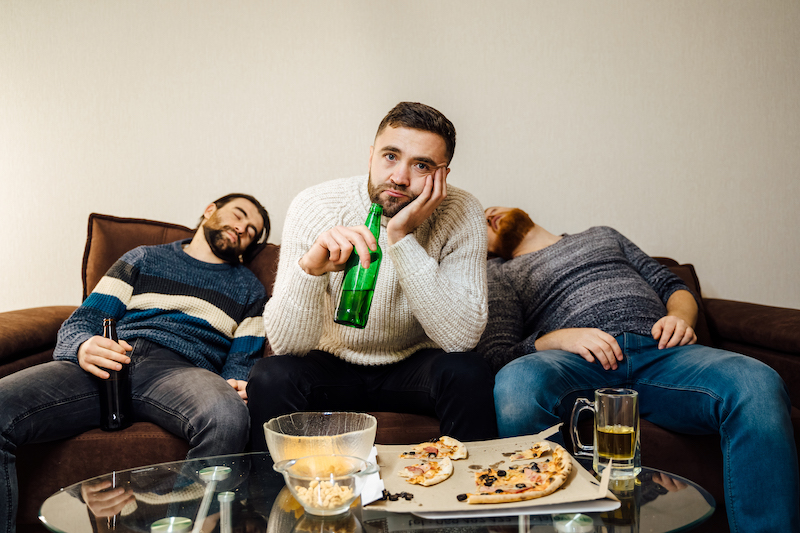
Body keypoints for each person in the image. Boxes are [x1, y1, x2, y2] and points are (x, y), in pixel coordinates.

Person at [477, 206, 800, 532]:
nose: (488, 214)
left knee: (757, 383)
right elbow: (498, 353)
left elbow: (671, 285)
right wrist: (561, 338)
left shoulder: (602, 234)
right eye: (481, 223)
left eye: (490, 209)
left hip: (663, 355)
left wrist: (680, 316)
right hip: (579, 366)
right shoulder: (500, 273)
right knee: (515, 383)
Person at [0, 194, 270, 533]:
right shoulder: (143, 258)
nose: (241, 229)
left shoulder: (250, 290)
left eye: (251, 231)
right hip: (109, 363)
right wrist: (84, 346)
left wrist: (235, 384)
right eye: (238, 215)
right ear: (210, 210)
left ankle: (171, 524)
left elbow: (241, 362)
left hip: (182, 371)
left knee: (228, 416)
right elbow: (79, 323)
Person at [247, 102, 497, 449]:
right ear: (371, 156)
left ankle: (472, 496)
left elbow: (461, 338)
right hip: (332, 363)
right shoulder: (316, 204)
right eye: (390, 156)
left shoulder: (461, 211)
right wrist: (311, 270)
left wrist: (400, 237)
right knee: (270, 376)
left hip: (412, 365)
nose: (399, 177)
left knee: (468, 370)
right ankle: (271, 501)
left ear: (442, 176)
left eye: (421, 165)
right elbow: (288, 346)